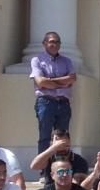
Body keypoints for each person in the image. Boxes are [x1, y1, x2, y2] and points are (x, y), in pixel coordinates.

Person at [30, 31, 76, 159]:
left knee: (63, 137)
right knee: (45, 137)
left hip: (63, 103)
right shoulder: (37, 60)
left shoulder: (67, 61)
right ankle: (44, 171)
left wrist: (49, 81)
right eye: (51, 42)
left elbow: (72, 79)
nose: (54, 44)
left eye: (57, 42)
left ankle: (61, 166)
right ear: (44, 43)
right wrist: (62, 83)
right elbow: (40, 82)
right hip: (46, 102)